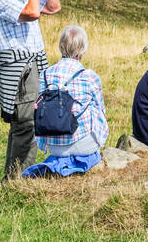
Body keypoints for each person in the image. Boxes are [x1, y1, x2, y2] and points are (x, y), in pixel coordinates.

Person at [0, 0, 61, 180]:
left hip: (33, 68)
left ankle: (13, 178)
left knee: (27, 123)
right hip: (21, 70)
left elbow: (53, 8)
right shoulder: (2, 0)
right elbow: (32, 13)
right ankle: (17, 182)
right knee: (27, 124)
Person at [32, 24, 108, 167]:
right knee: (95, 108)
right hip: (85, 146)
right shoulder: (89, 76)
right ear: (84, 48)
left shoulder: (45, 75)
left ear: (61, 46)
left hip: (54, 147)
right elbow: (101, 110)